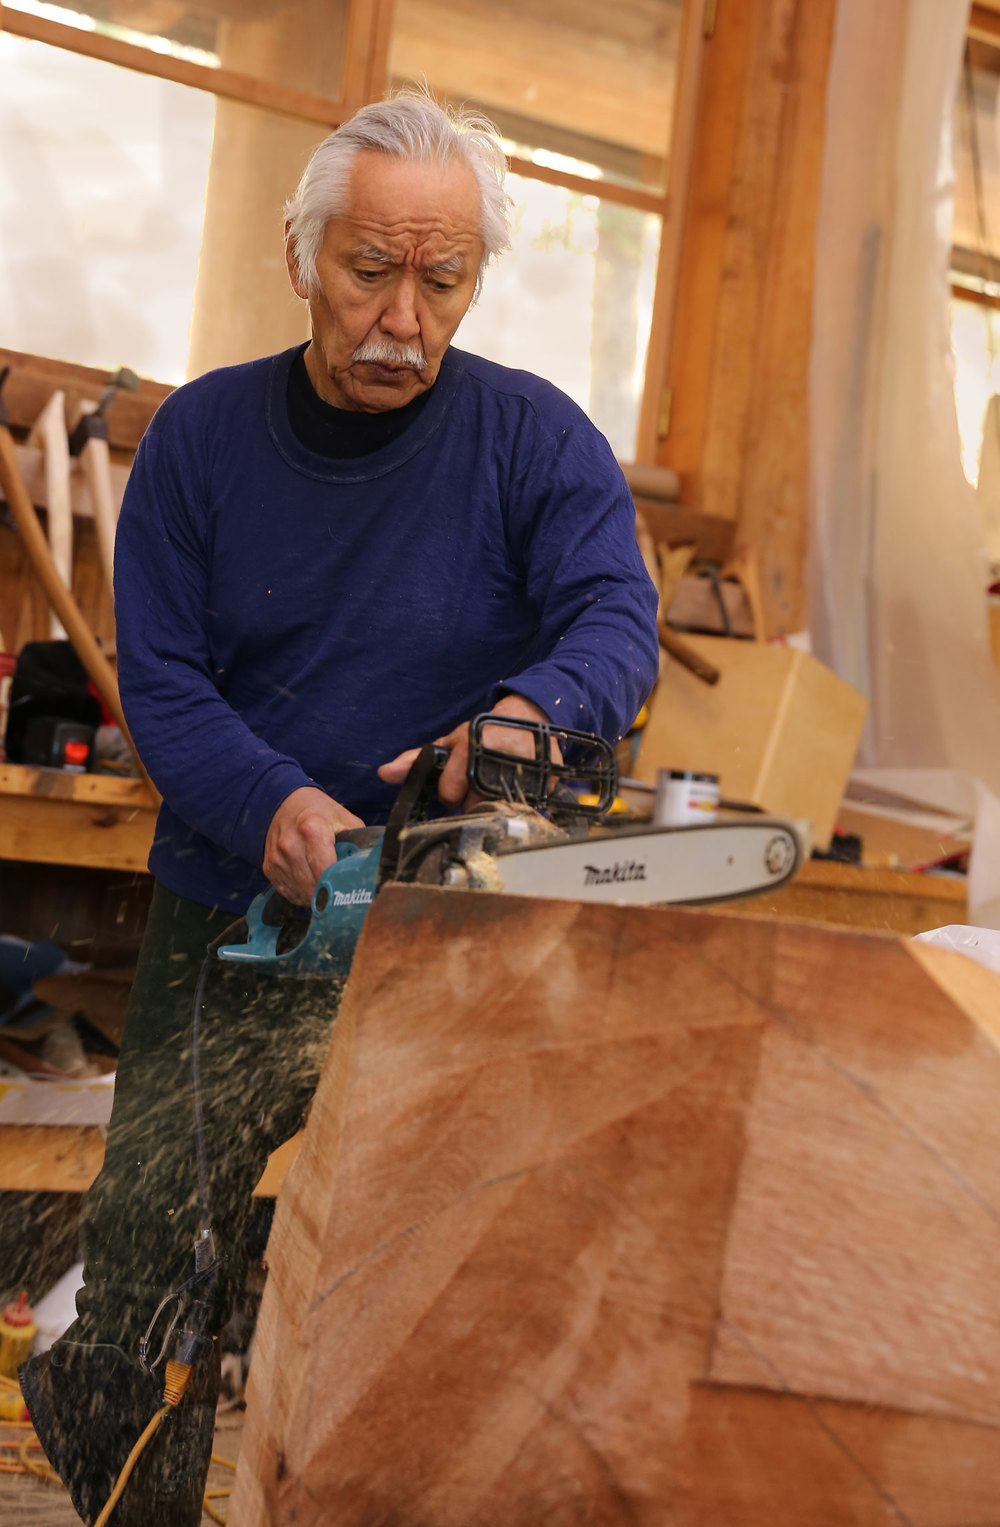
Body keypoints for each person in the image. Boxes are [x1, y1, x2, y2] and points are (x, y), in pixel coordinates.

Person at [20, 87, 658, 1525]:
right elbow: (165, 685)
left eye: (444, 281)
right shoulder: (200, 439)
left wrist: (527, 713)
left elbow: (620, 622)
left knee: (431, 1265)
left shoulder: (533, 440)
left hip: (458, 924)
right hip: (235, 896)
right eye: (371, 272)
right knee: (154, 1272)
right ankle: (127, 1460)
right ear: (300, 254)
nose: (402, 320)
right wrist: (278, 811)